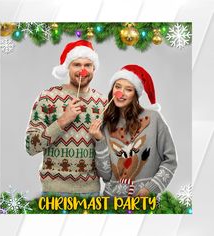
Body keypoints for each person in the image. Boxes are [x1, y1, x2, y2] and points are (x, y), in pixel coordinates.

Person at [25, 40, 108, 197]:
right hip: (53, 192)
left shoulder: (103, 102)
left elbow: (108, 153)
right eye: (77, 64)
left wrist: (100, 138)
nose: (82, 70)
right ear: (67, 67)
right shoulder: (48, 98)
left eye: (87, 65)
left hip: (91, 193)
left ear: (94, 68)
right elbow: (31, 146)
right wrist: (63, 121)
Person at [89, 64, 177, 197]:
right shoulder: (105, 124)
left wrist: (149, 189)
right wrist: (99, 140)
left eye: (128, 89)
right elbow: (105, 175)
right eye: (117, 87)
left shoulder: (154, 119)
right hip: (111, 203)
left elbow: (170, 160)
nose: (120, 93)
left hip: (143, 203)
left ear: (135, 94)